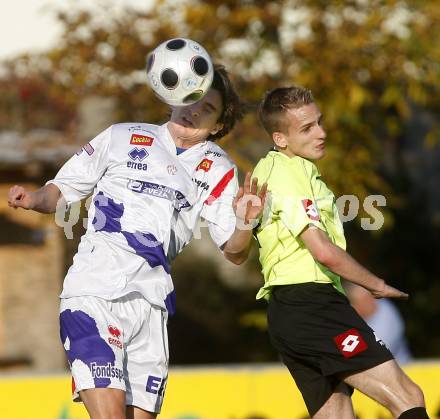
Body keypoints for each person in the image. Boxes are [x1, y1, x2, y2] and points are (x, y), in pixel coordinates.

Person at [7, 65, 266, 419]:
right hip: (94, 294)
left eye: (208, 108)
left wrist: (245, 222)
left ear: (219, 124)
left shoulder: (219, 169)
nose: (194, 111)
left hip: (151, 308)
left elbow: (235, 252)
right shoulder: (121, 136)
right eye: (192, 99)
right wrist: (33, 199)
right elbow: (62, 189)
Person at [250, 86, 428, 419]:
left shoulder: (280, 169)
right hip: (312, 305)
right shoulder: (289, 174)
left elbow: (238, 248)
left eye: (319, 122)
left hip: (289, 312)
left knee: (336, 413)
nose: (322, 133)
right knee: (407, 395)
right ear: (280, 138)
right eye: (307, 128)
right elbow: (323, 251)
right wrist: (376, 284)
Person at [344, 281, 413, 364]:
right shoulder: (348, 318)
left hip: (402, 371)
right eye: (365, 299)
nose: (372, 300)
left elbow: (371, 356)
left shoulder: (386, 315)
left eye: (369, 296)